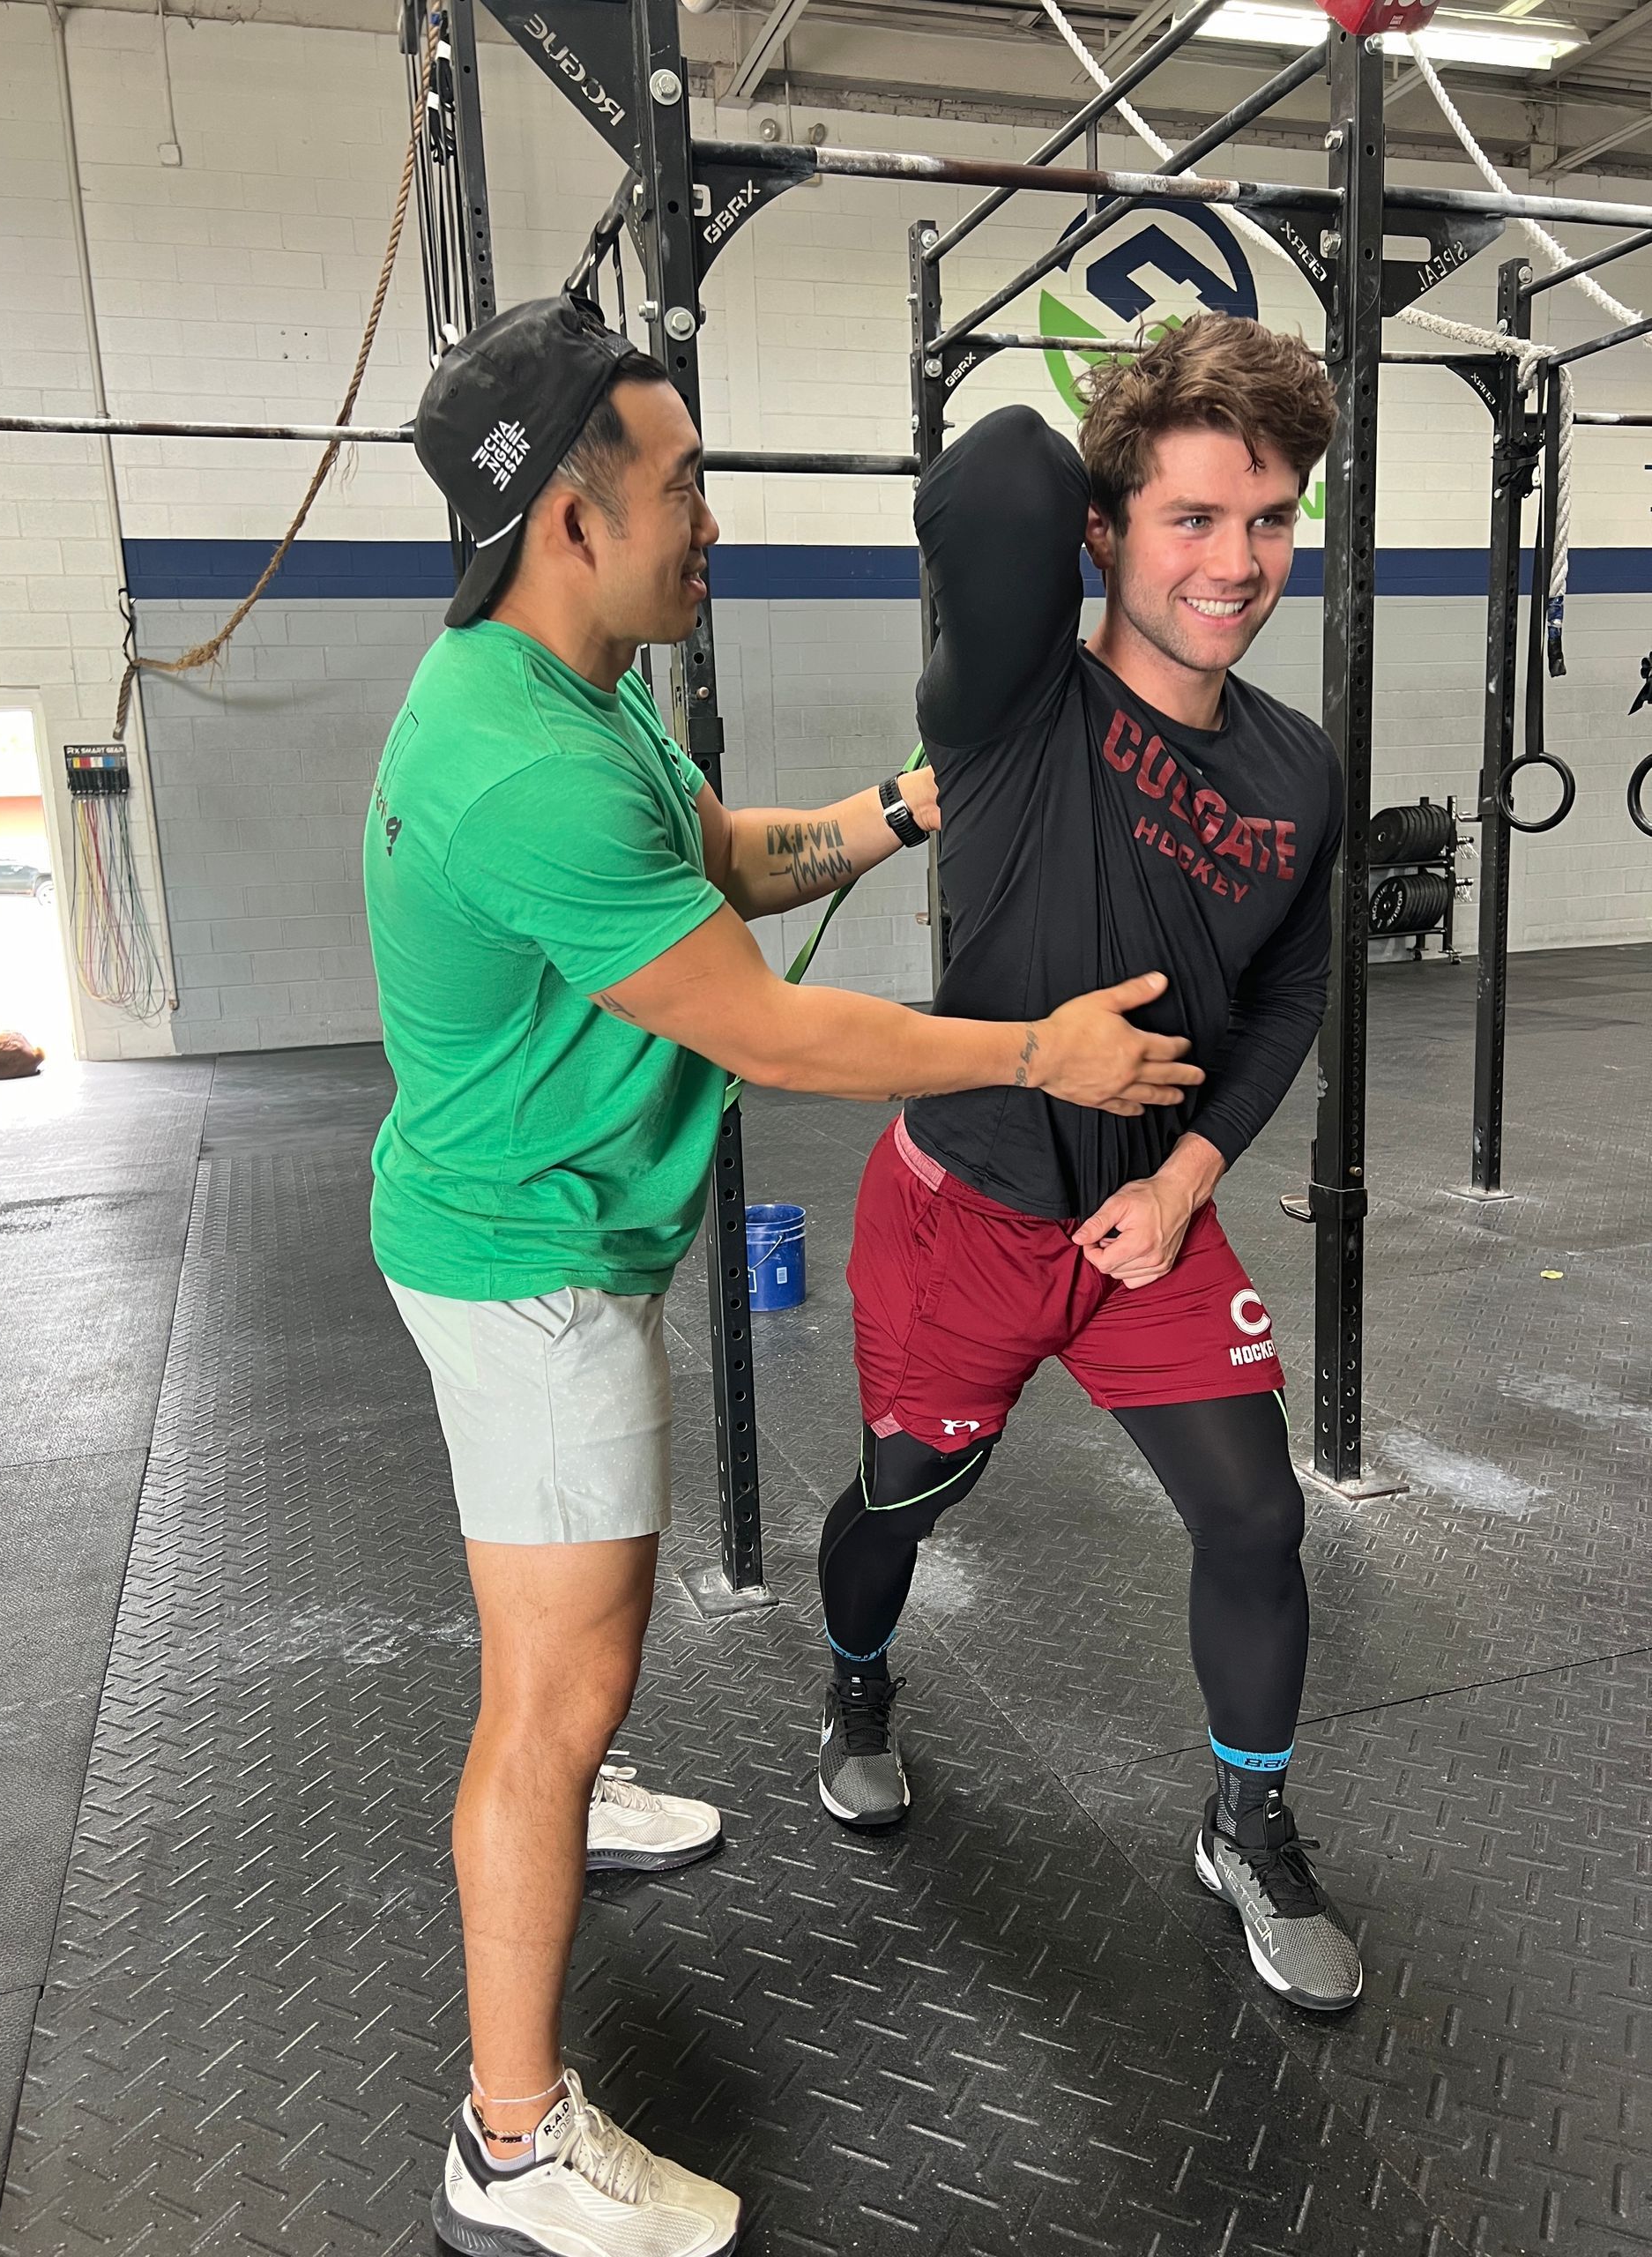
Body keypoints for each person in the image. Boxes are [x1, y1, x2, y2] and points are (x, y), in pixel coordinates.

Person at [363, 292, 1204, 2257]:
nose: (713, 522)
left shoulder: (563, 691)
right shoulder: (523, 764)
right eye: (683, 487)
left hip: (531, 1222)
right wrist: (1035, 1049)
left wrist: (912, 801)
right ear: (569, 519)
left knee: (569, 1659)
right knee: (555, 1683)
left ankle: (583, 1783)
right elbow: (769, 1032)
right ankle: (510, 2134)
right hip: (530, 1263)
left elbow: (720, 857)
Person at [813, 312, 1361, 2016]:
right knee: (910, 1495)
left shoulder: (1295, 769)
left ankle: (1247, 1821)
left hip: (1147, 1225)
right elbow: (992, 481)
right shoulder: (1007, 705)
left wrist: (1193, 1173)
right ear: (1106, 532)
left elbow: (1287, 1000)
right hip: (963, 1206)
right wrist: (1137, 416)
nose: (1239, 561)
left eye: (1270, 520)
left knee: (1259, 1515)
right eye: (1193, 518)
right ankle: (857, 1687)